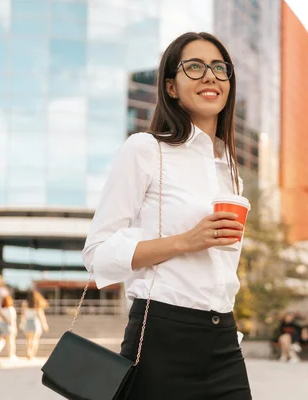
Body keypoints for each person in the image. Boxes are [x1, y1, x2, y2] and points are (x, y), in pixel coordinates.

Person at [82, 32, 252, 399]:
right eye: (195, 67)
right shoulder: (145, 150)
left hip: (222, 339)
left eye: (219, 68)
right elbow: (96, 254)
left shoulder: (228, 168)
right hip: (160, 337)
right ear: (172, 87)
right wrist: (185, 241)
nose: (210, 76)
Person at [20, 290, 49, 360]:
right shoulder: (37, 304)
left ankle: (28, 352)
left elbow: (23, 315)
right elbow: (41, 316)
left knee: (28, 340)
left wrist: (22, 323)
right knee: (35, 340)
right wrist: (45, 325)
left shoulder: (24, 304)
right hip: (35, 322)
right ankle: (32, 354)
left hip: (27, 322)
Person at [0, 295, 18, 361]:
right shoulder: (10, 309)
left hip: (1, 325)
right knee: (10, 341)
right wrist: (14, 328)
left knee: (2, 340)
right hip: (8, 326)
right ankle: (11, 355)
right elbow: (12, 320)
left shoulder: (1, 309)